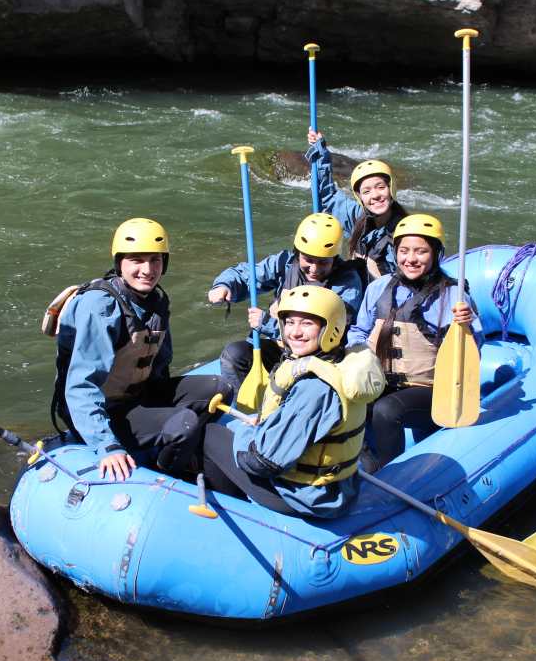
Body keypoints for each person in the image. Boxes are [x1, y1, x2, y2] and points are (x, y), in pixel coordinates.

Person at [53, 218, 228, 482]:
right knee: (185, 424)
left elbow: (159, 366)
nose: (147, 270)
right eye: (136, 260)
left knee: (219, 388)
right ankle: (167, 474)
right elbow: (80, 387)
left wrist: (162, 412)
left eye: (155, 260)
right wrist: (107, 445)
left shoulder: (155, 300)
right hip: (106, 411)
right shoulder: (101, 307)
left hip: (137, 397)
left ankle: (173, 450)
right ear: (119, 263)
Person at [201, 286, 384, 518]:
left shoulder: (314, 388)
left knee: (210, 435)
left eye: (307, 324)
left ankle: (238, 513)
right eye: (289, 323)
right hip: (339, 487)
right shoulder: (342, 363)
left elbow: (262, 462)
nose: (294, 332)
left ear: (331, 328)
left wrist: (247, 434)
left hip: (308, 497)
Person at [347, 214, 481, 471]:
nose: (411, 259)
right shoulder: (380, 287)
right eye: (404, 251)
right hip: (382, 381)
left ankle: (395, 476)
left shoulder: (454, 295)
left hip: (430, 389)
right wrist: (359, 359)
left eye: (421, 252)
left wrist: (466, 326)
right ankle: (360, 465)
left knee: (386, 410)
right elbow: (358, 331)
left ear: (436, 254)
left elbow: (474, 350)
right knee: (348, 396)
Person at [207, 213, 363, 398]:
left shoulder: (347, 283)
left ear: (334, 259)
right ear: (298, 253)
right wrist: (225, 285)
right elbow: (246, 274)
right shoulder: (285, 263)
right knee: (234, 355)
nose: (314, 269)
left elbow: (330, 336)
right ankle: (248, 411)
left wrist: (267, 324)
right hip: (283, 348)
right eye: (308, 260)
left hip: (318, 357)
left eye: (323, 262)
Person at [305, 129, 408, 280]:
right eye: (366, 192)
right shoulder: (357, 216)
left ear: (391, 188)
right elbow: (327, 196)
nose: (375, 195)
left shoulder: (406, 231)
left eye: (380, 187)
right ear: (359, 197)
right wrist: (321, 153)